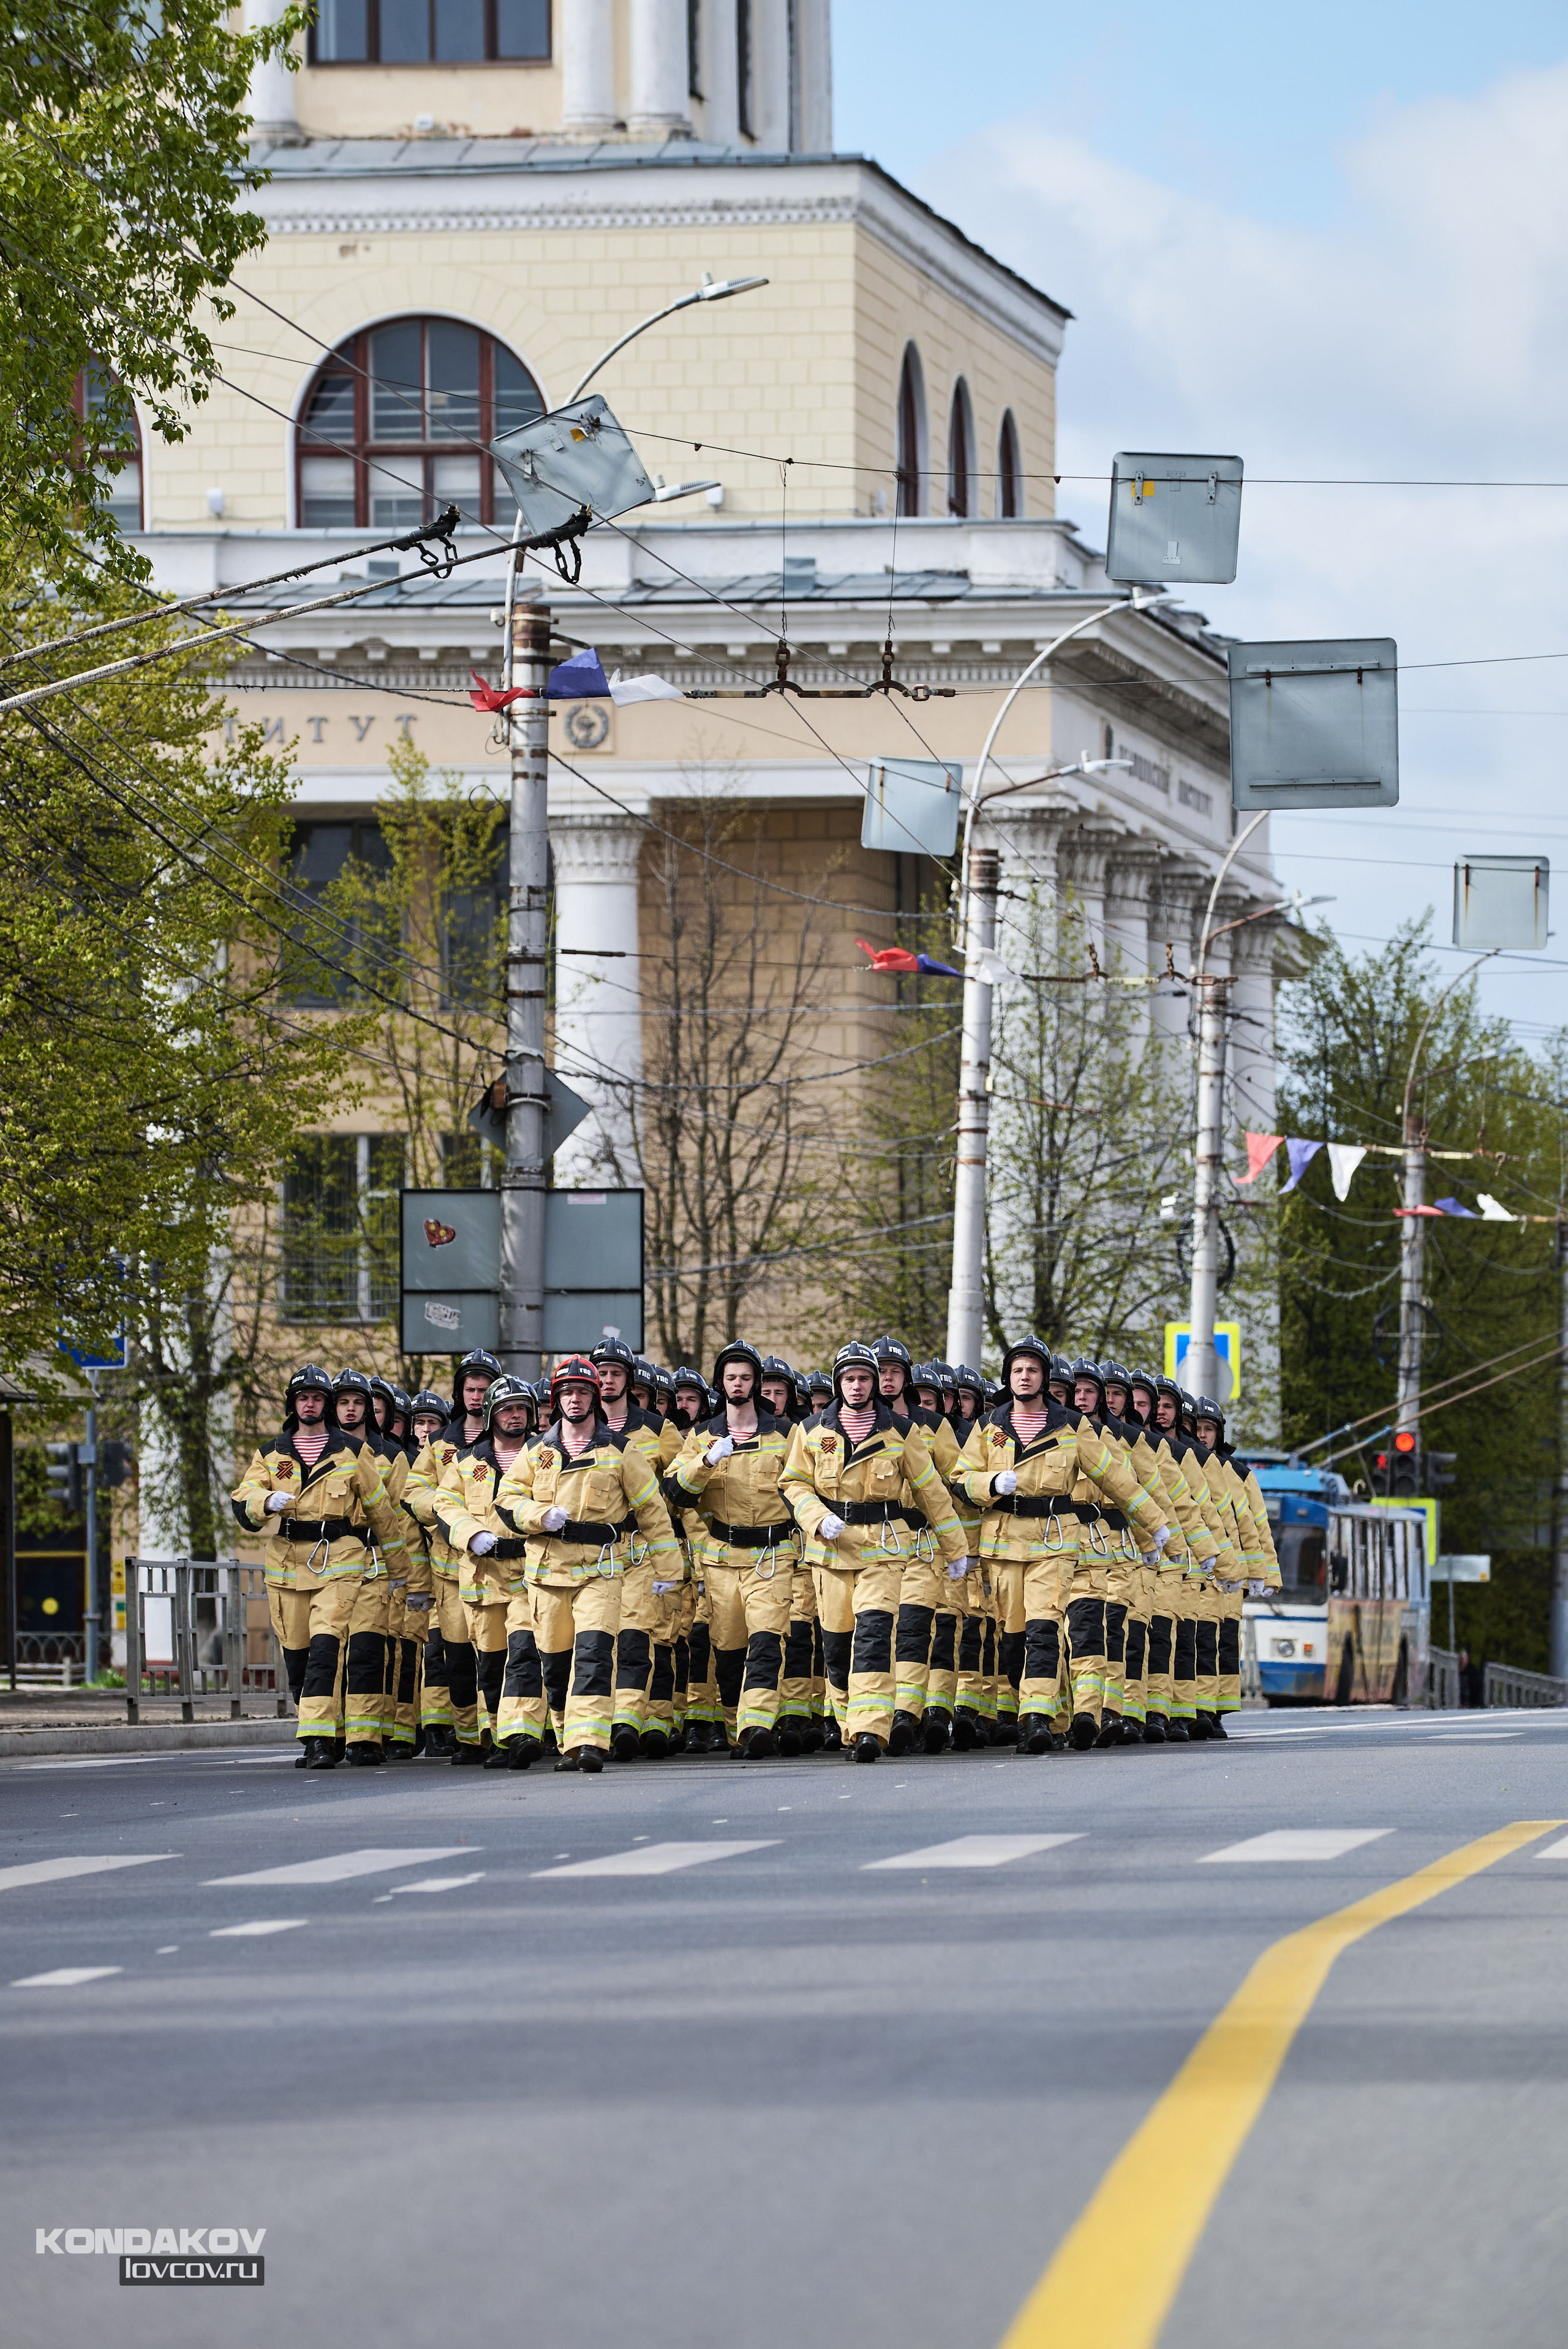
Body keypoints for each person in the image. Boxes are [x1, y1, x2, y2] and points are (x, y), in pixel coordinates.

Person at [959, 1336, 1170, 1753]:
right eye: (1018, 1370)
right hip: (1003, 1545)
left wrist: (1154, 1523)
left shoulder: (1072, 1425)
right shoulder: (989, 1425)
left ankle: (1036, 1718)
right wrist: (990, 1483)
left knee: (1045, 1630)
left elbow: (1115, 1477)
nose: (1025, 1377)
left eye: (1033, 1370)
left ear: (1045, 1378)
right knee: (1013, 1638)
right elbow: (961, 1479)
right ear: (1008, 1377)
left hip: (1053, 1543)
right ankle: (1041, 1710)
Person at [780, 1341, 969, 1762]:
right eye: (849, 1378)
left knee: (874, 1635)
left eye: (864, 1378)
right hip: (831, 1550)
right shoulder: (811, 1430)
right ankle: (849, 1724)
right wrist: (815, 1517)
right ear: (838, 1383)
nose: (858, 1385)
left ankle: (870, 1728)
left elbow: (932, 1491)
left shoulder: (900, 1431)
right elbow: (792, 1483)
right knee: (836, 1646)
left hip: (884, 1548)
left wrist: (956, 1548)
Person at [492, 1356, 680, 1773]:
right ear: (556, 1399)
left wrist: (669, 1570)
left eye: (582, 1392)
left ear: (594, 1397)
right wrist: (539, 1515)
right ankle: (567, 1737)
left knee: (594, 1655)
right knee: (555, 1665)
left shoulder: (620, 1449)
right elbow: (506, 1500)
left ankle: (590, 1742)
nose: (574, 1399)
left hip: (601, 1571)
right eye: (566, 1392)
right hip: (547, 1573)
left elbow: (652, 1510)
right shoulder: (536, 1450)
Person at [231, 1365, 409, 1770]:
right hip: (286, 1564)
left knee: (326, 1648)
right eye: (303, 1398)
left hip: (341, 1560)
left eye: (316, 1398)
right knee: (298, 1655)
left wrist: (399, 1571)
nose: (309, 1404)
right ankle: (321, 1728)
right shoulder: (271, 1453)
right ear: (293, 1404)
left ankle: (318, 1741)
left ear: (324, 1404)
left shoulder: (352, 1451)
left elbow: (382, 1511)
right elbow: (243, 1497)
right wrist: (264, 1501)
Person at [671, 1340, 802, 1757]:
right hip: (722, 1559)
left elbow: (805, 1487)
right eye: (731, 1377)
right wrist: (706, 1461)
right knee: (728, 1651)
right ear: (721, 1383)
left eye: (746, 1377)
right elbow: (676, 1491)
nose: (739, 1384)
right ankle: (735, 1727)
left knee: (767, 1640)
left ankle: (757, 1723)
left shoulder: (787, 1434)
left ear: (757, 1383)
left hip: (772, 1554)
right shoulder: (701, 1436)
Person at [432, 1374, 540, 1768]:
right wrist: (470, 1534)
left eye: (522, 1409)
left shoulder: (546, 1454)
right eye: (507, 1409)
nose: (515, 1416)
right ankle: (497, 1736)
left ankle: (522, 1732)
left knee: (524, 1652)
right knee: (491, 1662)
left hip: (531, 1573)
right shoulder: (466, 1461)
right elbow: (444, 1505)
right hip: (484, 1576)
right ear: (492, 1414)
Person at [404, 1348, 500, 1759]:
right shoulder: (440, 1443)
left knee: (495, 1655)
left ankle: (497, 1732)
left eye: (484, 1389)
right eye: (470, 1389)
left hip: (501, 1566)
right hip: (450, 1569)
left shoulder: (512, 1438)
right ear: (460, 1393)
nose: (477, 1397)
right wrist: (446, 1514)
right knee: (457, 1657)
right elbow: (413, 1492)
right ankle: (467, 1736)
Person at [593, 1337, 685, 1759]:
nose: (608, 1380)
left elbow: (681, 1488)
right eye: (602, 1373)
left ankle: (629, 1720)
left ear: (629, 1381)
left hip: (641, 1547)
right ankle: (599, 1722)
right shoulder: (577, 1429)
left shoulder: (657, 1428)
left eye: (616, 1373)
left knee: (638, 1635)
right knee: (599, 1641)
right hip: (591, 1553)